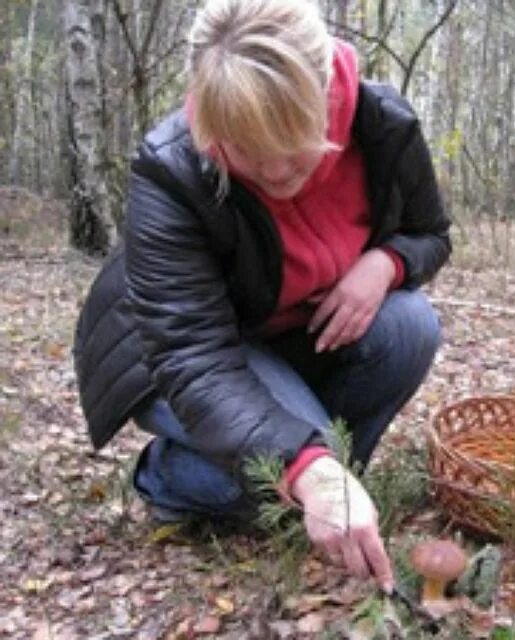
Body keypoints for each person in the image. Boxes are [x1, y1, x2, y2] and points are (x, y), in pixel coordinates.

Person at [72, 0, 450, 594]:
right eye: (246, 150)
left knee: (410, 326)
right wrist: (308, 468)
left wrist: (386, 262)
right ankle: (168, 477)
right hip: (182, 361)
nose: (276, 172)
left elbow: (431, 233)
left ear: (328, 97)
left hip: (291, 338)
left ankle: (320, 471)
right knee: (270, 481)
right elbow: (192, 358)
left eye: (294, 143)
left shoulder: (384, 125)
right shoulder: (172, 170)